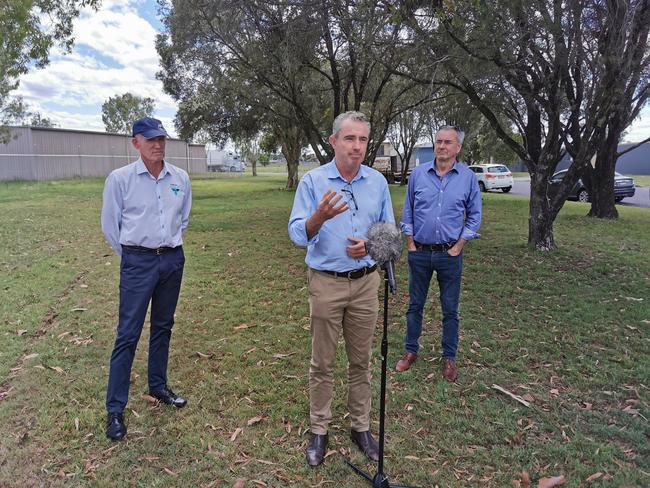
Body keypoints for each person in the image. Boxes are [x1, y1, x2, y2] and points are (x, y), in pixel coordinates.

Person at [288, 111, 395, 467]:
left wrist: (369, 246)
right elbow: (295, 233)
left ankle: (360, 427)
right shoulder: (314, 181)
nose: (357, 146)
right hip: (326, 284)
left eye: (363, 139)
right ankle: (319, 429)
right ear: (333, 141)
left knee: (361, 361)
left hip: (365, 284)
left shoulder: (377, 183)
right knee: (322, 362)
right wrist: (318, 218)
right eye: (349, 138)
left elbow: (389, 233)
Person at [101, 116, 192, 441]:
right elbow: (111, 227)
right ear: (135, 142)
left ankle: (159, 386)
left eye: (162, 139)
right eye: (150, 139)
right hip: (137, 262)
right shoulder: (120, 179)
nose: (158, 145)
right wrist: (134, 259)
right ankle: (115, 409)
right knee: (127, 334)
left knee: (163, 326)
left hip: (171, 260)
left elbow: (183, 218)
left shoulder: (179, 177)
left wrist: (166, 249)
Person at [395, 125, 481, 381]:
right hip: (419, 252)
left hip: (449, 255)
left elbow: (474, 216)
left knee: (450, 309)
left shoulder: (467, 178)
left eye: (448, 142)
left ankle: (449, 358)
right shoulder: (418, 175)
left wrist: (459, 246)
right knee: (414, 306)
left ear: (458, 147)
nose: (442, 146)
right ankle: (410, 351)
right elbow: (408, 211)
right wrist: (410, 242)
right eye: (438, 141)